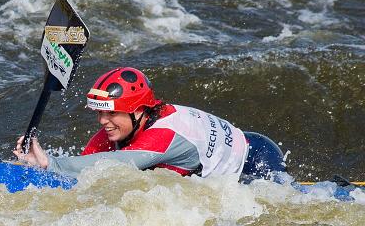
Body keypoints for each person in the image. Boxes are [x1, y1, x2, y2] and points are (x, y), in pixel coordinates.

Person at [14, 67, 286, 181]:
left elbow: (116, 165)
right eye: (99, 113)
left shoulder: (164, 136)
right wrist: (36, 164)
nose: (103, 122)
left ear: (139, 111)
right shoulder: (127, 125)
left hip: (256, 161)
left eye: (111, 114)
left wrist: (53, 164)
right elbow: (90, 168)